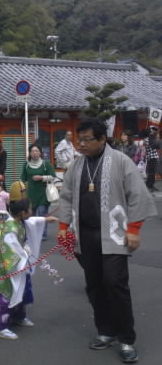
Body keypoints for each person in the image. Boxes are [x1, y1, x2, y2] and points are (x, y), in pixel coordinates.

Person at [56, 118, 157, 364]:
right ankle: (106, 331)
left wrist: (134, 229)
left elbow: (138, 196)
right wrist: (62, 226)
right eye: (79, 140)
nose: (81, 145)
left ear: (102, 139)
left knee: (115, 283)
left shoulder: (121, 162)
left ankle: (126, 338)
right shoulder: (77, 165)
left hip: (114, 234)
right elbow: (67, 196)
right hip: (85, 234)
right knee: (94, 285)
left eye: (87, 140)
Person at [0, 184, 58, 340]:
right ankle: (0, 327)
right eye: (29, 209)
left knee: (22, 290)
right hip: (6, 266)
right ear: (22, 212)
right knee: (4, 296)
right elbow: (11, 248)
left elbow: (31, 221)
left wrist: (45, 219)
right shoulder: (10, 227)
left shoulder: (18, 221)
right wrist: (25, 256)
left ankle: (18, 317)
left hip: (17, 264)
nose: (31, 212)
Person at [21, 144, 56, 239]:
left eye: (36, 151)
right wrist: (22, 191)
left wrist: (41, 177)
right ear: (30, 153)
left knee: (41, 214)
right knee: (30, 215)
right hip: (30, 194)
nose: (34, 153)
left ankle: (42, 234)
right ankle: (30, 233)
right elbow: (22, 179)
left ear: (40, 153)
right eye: (32, 151)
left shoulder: (46, 164)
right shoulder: (26, 165)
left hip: (43, 194)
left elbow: (53, 177)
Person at [143, 125, 161, 191]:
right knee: (151, 173)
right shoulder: (147, 139)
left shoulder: (152, 139)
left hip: (154, 157)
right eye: (153, 130)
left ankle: (151, 185)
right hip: (151, 157)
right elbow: (154, 146)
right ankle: (148, 186)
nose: (155, 132)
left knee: (153, 172)